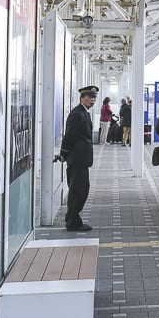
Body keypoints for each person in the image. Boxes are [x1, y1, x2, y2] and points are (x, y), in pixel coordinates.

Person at [60, 85, 99, 232]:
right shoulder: (77, 114)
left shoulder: (83, 112)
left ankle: (73, 218)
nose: (92, 100)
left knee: (82, 188)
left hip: (81, 159)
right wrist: (63, 153)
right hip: (77, 159)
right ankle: (72, 221)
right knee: (77, 190)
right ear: (82, 98)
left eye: (94, 97)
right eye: (89, 97)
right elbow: (69, 135)